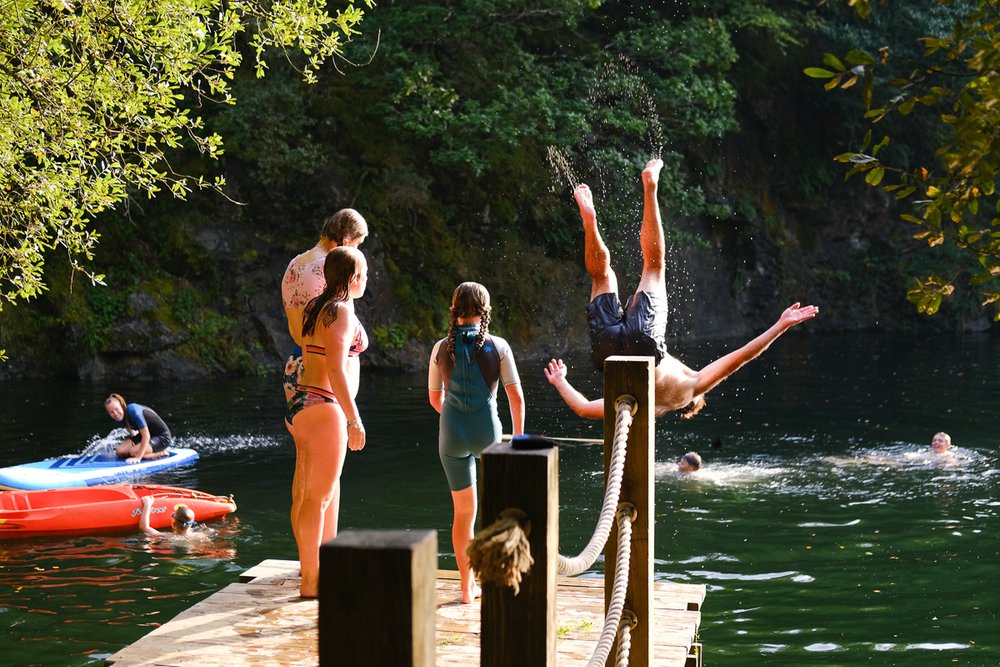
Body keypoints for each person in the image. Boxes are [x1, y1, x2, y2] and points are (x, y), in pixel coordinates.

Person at [545, 158, 819, 419]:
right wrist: (560, 381)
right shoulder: (657, 404)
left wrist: (781, 324)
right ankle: (590, 226)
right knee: (601, 278)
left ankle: (649, 188)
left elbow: (741, 357)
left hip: (645, 348)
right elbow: (581, 408)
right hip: (609, 355)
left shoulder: (693, 386)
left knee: (653, 266)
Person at [428, 282, 526, 604]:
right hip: (489, 436)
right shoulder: (498, 346)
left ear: (454, 311)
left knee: (463, 515)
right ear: (485, 312)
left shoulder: (440, 348)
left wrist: (456, 417)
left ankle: (467, 588)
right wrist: (518, 440)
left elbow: (434, 398)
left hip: (451, 436)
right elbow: (516, 399)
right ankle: (498, 578)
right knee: (496, 510)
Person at [286, 246, 369, 599]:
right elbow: (336, 368)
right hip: (325, 406)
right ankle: (311, 583)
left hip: (301, 404)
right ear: (352, 279)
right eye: (364, 275)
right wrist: (354, 418)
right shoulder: (341, 312)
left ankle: (312, 570)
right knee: (318, 499)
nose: (367, 281)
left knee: (308, 495)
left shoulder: (313, 307)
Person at [281, 208, 368, 402]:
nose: (356, 252)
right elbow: (345, 328)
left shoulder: (295, 263)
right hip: (323, 376)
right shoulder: (334, 268)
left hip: (295, 366)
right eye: (357, 244)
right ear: (346, 239)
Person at [104, 393, 173, 463]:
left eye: (116, 409)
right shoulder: (119, 419)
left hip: (162, 437)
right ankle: (143, 451)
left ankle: (161, 453)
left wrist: (138, 457)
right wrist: (134, 445)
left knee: (133, 452)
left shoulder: (133, 411)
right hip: (146, 435)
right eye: (111, 412)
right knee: (119, 451)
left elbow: (146, 435)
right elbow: (132, 431)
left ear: (122, 405)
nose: (115, 413)